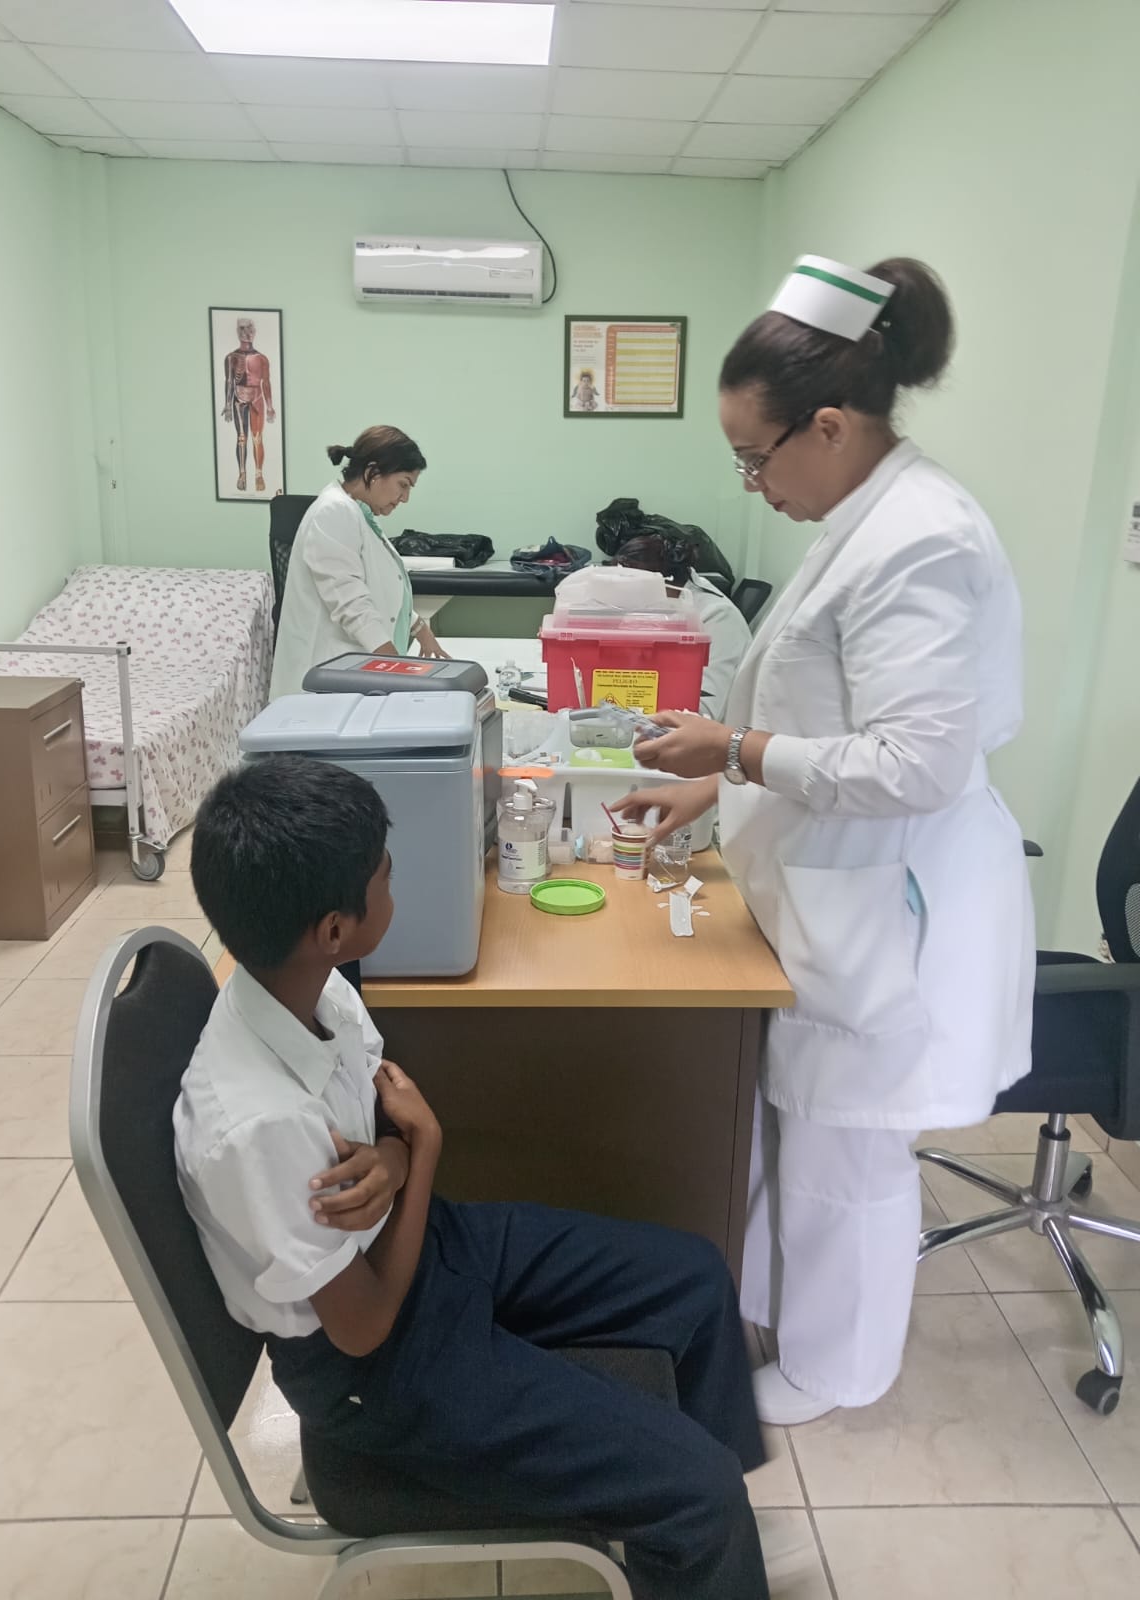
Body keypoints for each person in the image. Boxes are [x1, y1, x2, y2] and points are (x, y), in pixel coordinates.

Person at [173, 754, 774, 1600]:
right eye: (385, 874)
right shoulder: (255, 1126)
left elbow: (379, 1122)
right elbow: (365, 1327)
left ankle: (703, 1545)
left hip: (421, 1251)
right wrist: (422, 1152)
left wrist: (393, 1159)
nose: (396, 882)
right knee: (697, 1490)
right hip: (378, 1372)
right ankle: (701, 1518)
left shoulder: (311, 988)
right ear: (335, 928)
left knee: (697, 1280)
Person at [614, 255, 1036, 1427]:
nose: (751, 484)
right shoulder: (864, 520)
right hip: (832, 884)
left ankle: (836, 1370)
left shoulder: (921, 541)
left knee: (848, 1153)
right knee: (803, 1130)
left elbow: (915, 764)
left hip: (889, 901)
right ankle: (778, 1316)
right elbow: (823, 714)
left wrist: (734, 753)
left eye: (755, 456)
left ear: (832, 426)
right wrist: (714, 790)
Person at [269, 426, 448, 702]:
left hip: (349, 675)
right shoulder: (333, 512)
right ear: (373, 472)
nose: (405, 498)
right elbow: (352, 605)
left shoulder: (358, 513)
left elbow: (378, 588)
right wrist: (398, 672)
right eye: (403, 484)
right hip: (322, 684)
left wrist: (419, 629)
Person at [610, 531, 752, 718]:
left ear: (662, 583)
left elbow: (706, 711)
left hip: (708, 729)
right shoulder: (665, 603)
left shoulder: (718, 617)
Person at [221, 317, 276, 494]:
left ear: (255, 331)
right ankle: (242, 474)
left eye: (250, 329)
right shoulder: (231, 358)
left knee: (257, 438)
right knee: (241, 438)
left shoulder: (262, 358)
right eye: (243, 329)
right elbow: (229, 381)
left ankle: (258, 474)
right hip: (239, 398)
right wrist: (227, 405)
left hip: (257, 397)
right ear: (238, 331)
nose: (247, 333)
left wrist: (270, 406)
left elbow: (266, 382)